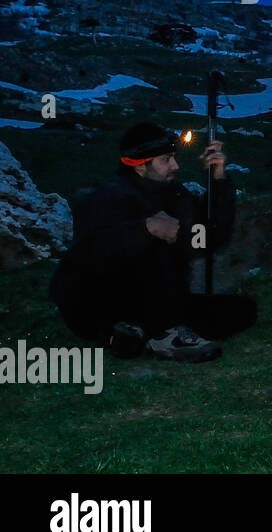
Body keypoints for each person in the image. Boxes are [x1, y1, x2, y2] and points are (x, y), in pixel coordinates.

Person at [49, 121, 256, 361]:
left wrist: (218, 180)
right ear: (139, 166)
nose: (175, 166)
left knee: (241, 311)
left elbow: (205, 240)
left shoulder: (175, 196)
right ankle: (159, 333)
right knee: (154, 245)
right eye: (165, 160)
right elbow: (86, 256)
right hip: (100, 302)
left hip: (159, 303)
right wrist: (145, 229)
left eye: (173, 158)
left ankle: (137, 334)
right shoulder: (106, 199)